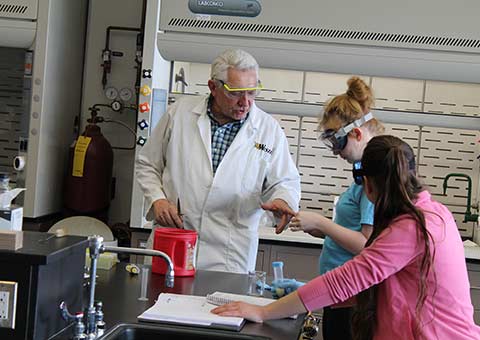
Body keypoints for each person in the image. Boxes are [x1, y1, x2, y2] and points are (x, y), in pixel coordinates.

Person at [213, 135, 480, 340]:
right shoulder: (433, 212)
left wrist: (263, 312)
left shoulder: (413, 227)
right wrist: (302, 292)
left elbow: (346, 280)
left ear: (369, 185)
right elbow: (377, 286)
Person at [135, 49, 301, 273]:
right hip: (174, 241)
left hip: (231, 255)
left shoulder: (268, 130)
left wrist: (283, 200)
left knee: (222, 307)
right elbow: (147, 163)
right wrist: (158, 199)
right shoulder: (180, 114)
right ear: (213, 87)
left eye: (252, 92)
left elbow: (285, 181)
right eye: (236, 93)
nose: (245, 102)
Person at [287, 77, 384, 340]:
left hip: (353, 298)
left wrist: (321, 223)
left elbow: (366, 245)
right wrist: (313, 227)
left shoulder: (372, 182)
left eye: (336, 141)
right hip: (340, 294)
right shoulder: (362, 177)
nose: (334, 152)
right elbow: (348, 233)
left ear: (356, 133)